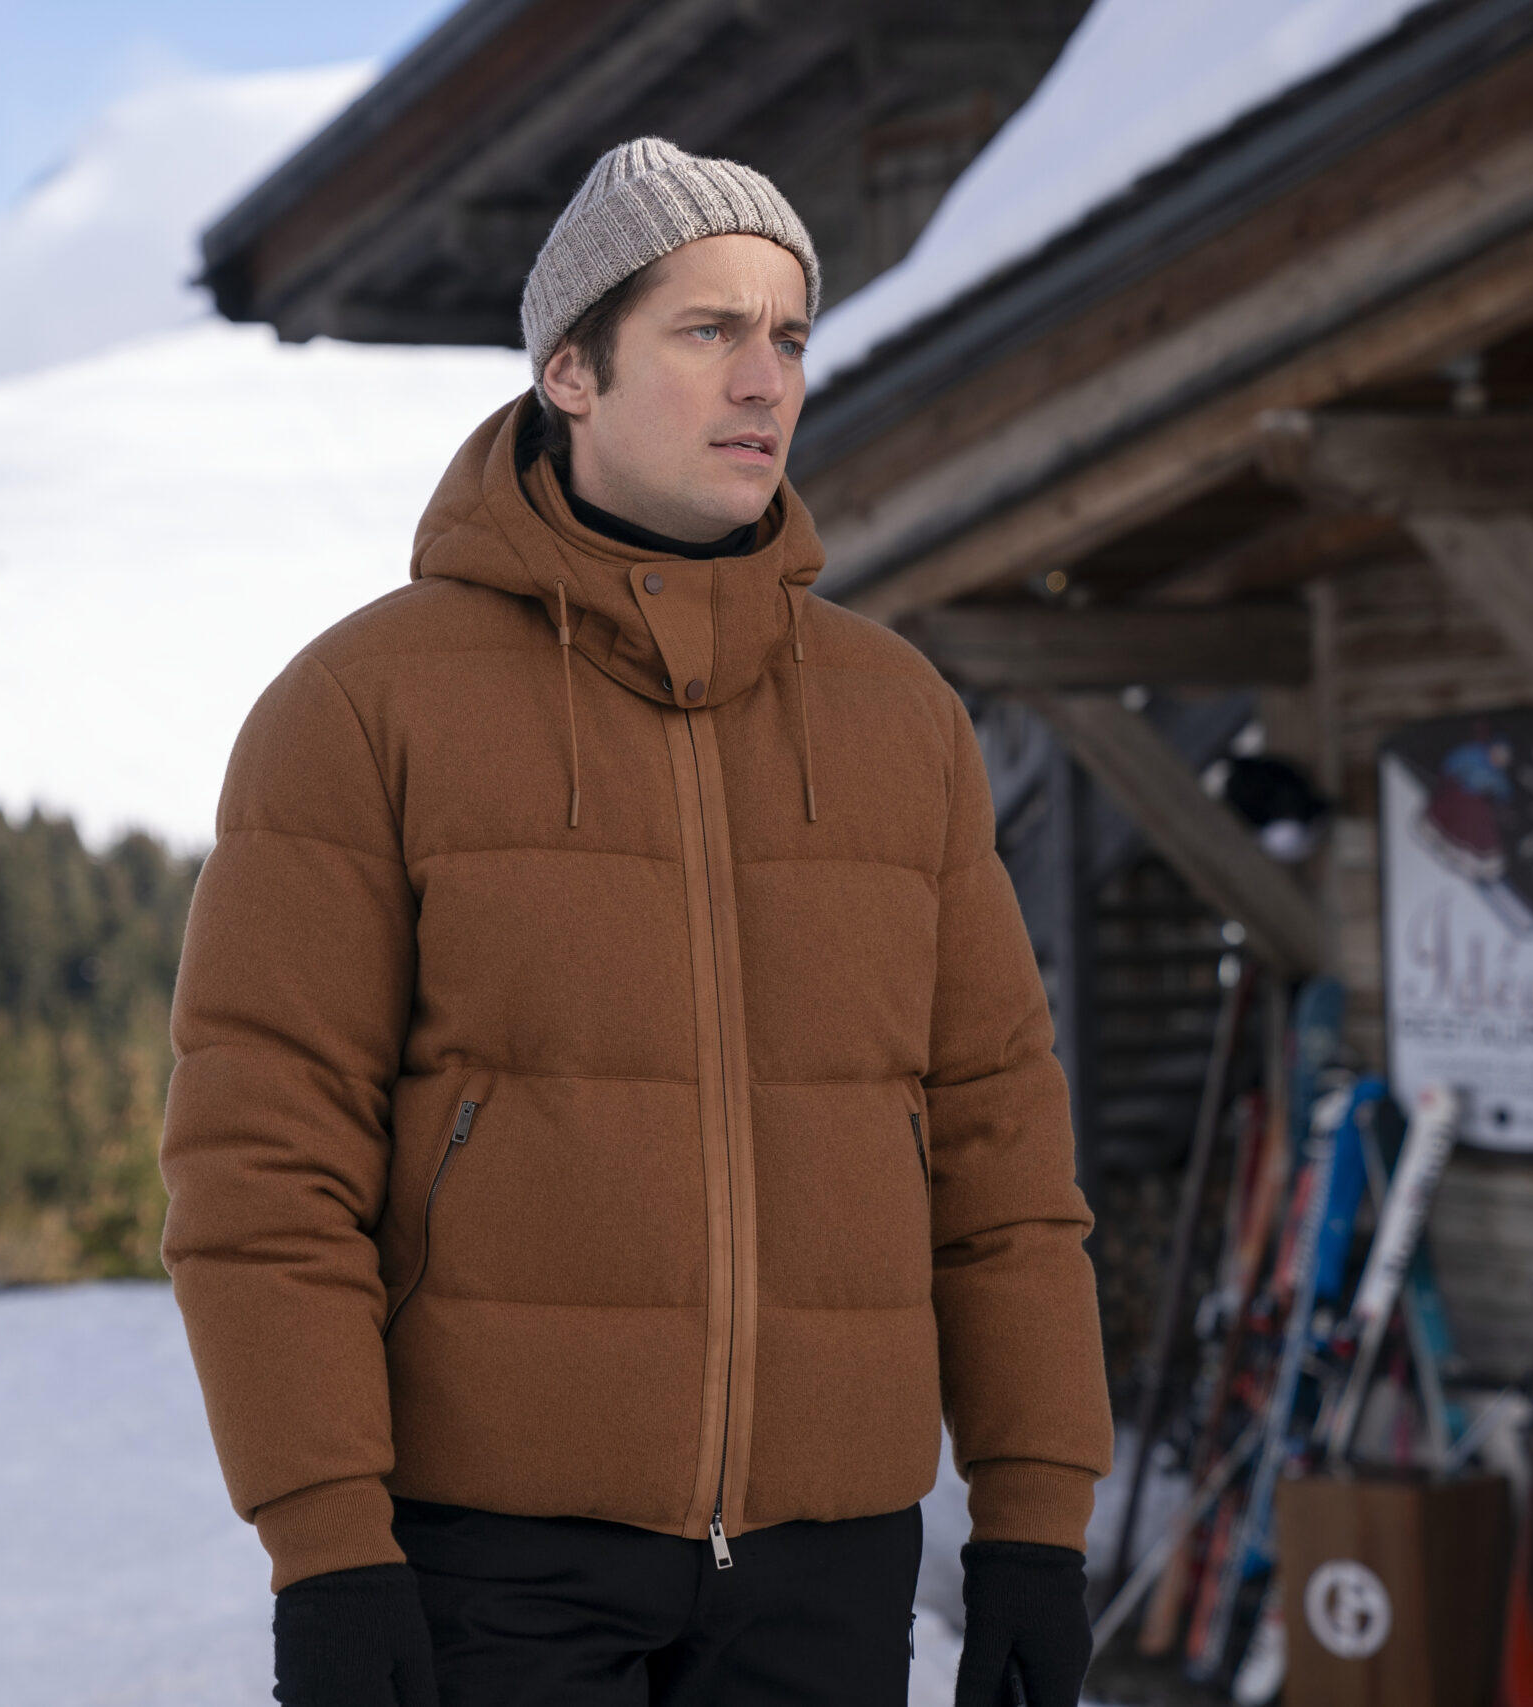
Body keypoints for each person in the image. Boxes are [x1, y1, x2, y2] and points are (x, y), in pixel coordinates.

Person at [160, 136, 1112, 1707]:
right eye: (706, 330)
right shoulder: (363, 707)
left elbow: (1003, 1155)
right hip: (493, 1563)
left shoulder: (898, 720)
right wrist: (324, 1541)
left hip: (830, 1565)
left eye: (789, 336)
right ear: (571, 372)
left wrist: (1035, 1522)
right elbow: (264, 1165)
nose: (763, 380)